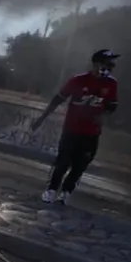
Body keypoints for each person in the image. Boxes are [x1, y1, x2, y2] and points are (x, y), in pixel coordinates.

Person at [31, 49, 120, 205]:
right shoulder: (78, 81)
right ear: (96, 64)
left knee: (80, 166)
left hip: (92, 134)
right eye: (108, 64)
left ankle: (66, 192)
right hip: (71, 130)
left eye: (112, 65)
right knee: (62, 162)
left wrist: (104, 115)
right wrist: (42, 118)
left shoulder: (111, 84)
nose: (111, 67)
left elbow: (112, 105)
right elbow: (58, 99)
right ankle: (51, 190)